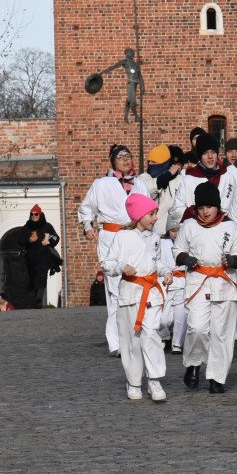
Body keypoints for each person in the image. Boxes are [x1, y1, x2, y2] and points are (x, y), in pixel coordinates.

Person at [173, 182, 237, 394]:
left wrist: (232, 259)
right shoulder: (189, 226)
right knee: (197, 328)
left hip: (224, 282)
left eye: (210, 206)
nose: (205, 211)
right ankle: (193, 364)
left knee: (221, 334)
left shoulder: (230, 227)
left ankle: (217, 377)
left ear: (218, 206)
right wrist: (185, 258)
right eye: (201, 207)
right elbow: (177, 248)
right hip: (199, 280)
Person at [78, 144, 150, 356]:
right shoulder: (102, 184)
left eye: (128, 156)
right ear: (113, 161)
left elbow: (149, 210)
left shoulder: (141, 184)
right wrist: (88, 226)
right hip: (111, 237)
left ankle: (137, 336)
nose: (125, 160)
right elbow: (86, 208)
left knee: (136, 286)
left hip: (135, 238)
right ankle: (116, 341)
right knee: (115, 290)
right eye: (121, 157)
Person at [101, 194, 172, 401]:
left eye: (156, 213)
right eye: (151, 214)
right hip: (130, 294)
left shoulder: (155, 238)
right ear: (139, 215)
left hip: (151, 293)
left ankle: (154, 380)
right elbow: (108, 263)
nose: (155, 218)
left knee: (151, 334)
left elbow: (156, 262)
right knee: (131, 340)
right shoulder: (122, 237)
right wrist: (123, 266)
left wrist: (165, 271)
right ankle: (133, 381)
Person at [20, 204, 60, 308]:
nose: (34, 216)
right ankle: (36, 297)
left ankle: (39, 299)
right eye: (32, 214)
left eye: (36, 214)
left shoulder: (47, 226)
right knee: (33, 277)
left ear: (40, 214)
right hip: (31, 258)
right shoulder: (27, 227)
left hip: (44, 256)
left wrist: (48, 242)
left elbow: (55, 237)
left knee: (42, 275)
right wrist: (29, 240)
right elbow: (19, 240)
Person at [139, 145, 184, 237]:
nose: (150, 164)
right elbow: (148, 189)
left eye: (154, 162)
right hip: (150, 234)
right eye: (149, 162)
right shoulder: (143, 178)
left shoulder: (179, 181)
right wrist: (167, 175)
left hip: (173, 234)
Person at [159, 212, 187, 355]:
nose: (176, 234)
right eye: (173, 231)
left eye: (178, 231)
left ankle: (177, 343)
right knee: (164, 318)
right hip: (166, 283)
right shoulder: (162, 244)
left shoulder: (187, 244)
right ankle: (164, 336)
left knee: (181, 316)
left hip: (182, 283)